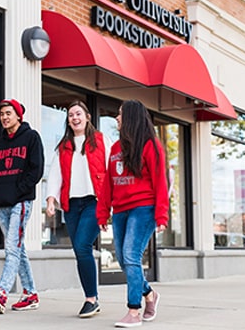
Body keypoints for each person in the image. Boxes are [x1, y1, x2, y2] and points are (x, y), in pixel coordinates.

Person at [97, 100, 169, 328]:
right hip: (120, 210)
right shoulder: (116, 148)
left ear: (131, 118)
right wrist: (102, 213)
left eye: (120, 114)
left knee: (130, 255)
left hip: (143, 208)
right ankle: (149, 294)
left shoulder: (151, 145)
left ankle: (133, 311)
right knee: (123, 258)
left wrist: (162, 215)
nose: (116, 119)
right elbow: (108, 183)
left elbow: (160, 181)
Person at [45, 100, 111, 318]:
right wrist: (51, 199)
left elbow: (111, 169)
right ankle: (93, 298)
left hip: (95, 201)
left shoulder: (101, 140)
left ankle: (91, 299)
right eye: (71, 115)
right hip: (72, 204)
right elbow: (56, 173)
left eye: (78, 114)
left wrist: (114, 201)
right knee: (79, 251)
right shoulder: (64, 145)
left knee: (83, 246)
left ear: (87, 117)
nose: (74, 118)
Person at [0, 99, 44, 314]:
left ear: (19, 116)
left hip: (21, 202)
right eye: (2, 114)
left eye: (8, 113)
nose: (4, 117)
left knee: (11, 247)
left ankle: (2, 292)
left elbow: (36, 170)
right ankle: (30, 293)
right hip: (2, 203)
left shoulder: (31, 137)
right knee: (17, 249)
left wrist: (19, 191)